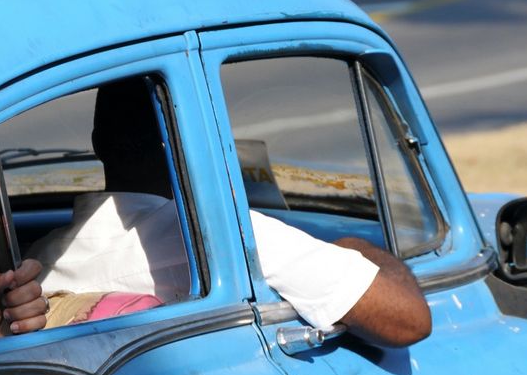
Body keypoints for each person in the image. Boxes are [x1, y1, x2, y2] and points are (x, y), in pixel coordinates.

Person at [28, 78, 431, 347]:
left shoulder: (41, 260)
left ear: (99, 144)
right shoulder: (234, 237)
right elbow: (408, 320)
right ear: (191, 146)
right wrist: (354, 245)